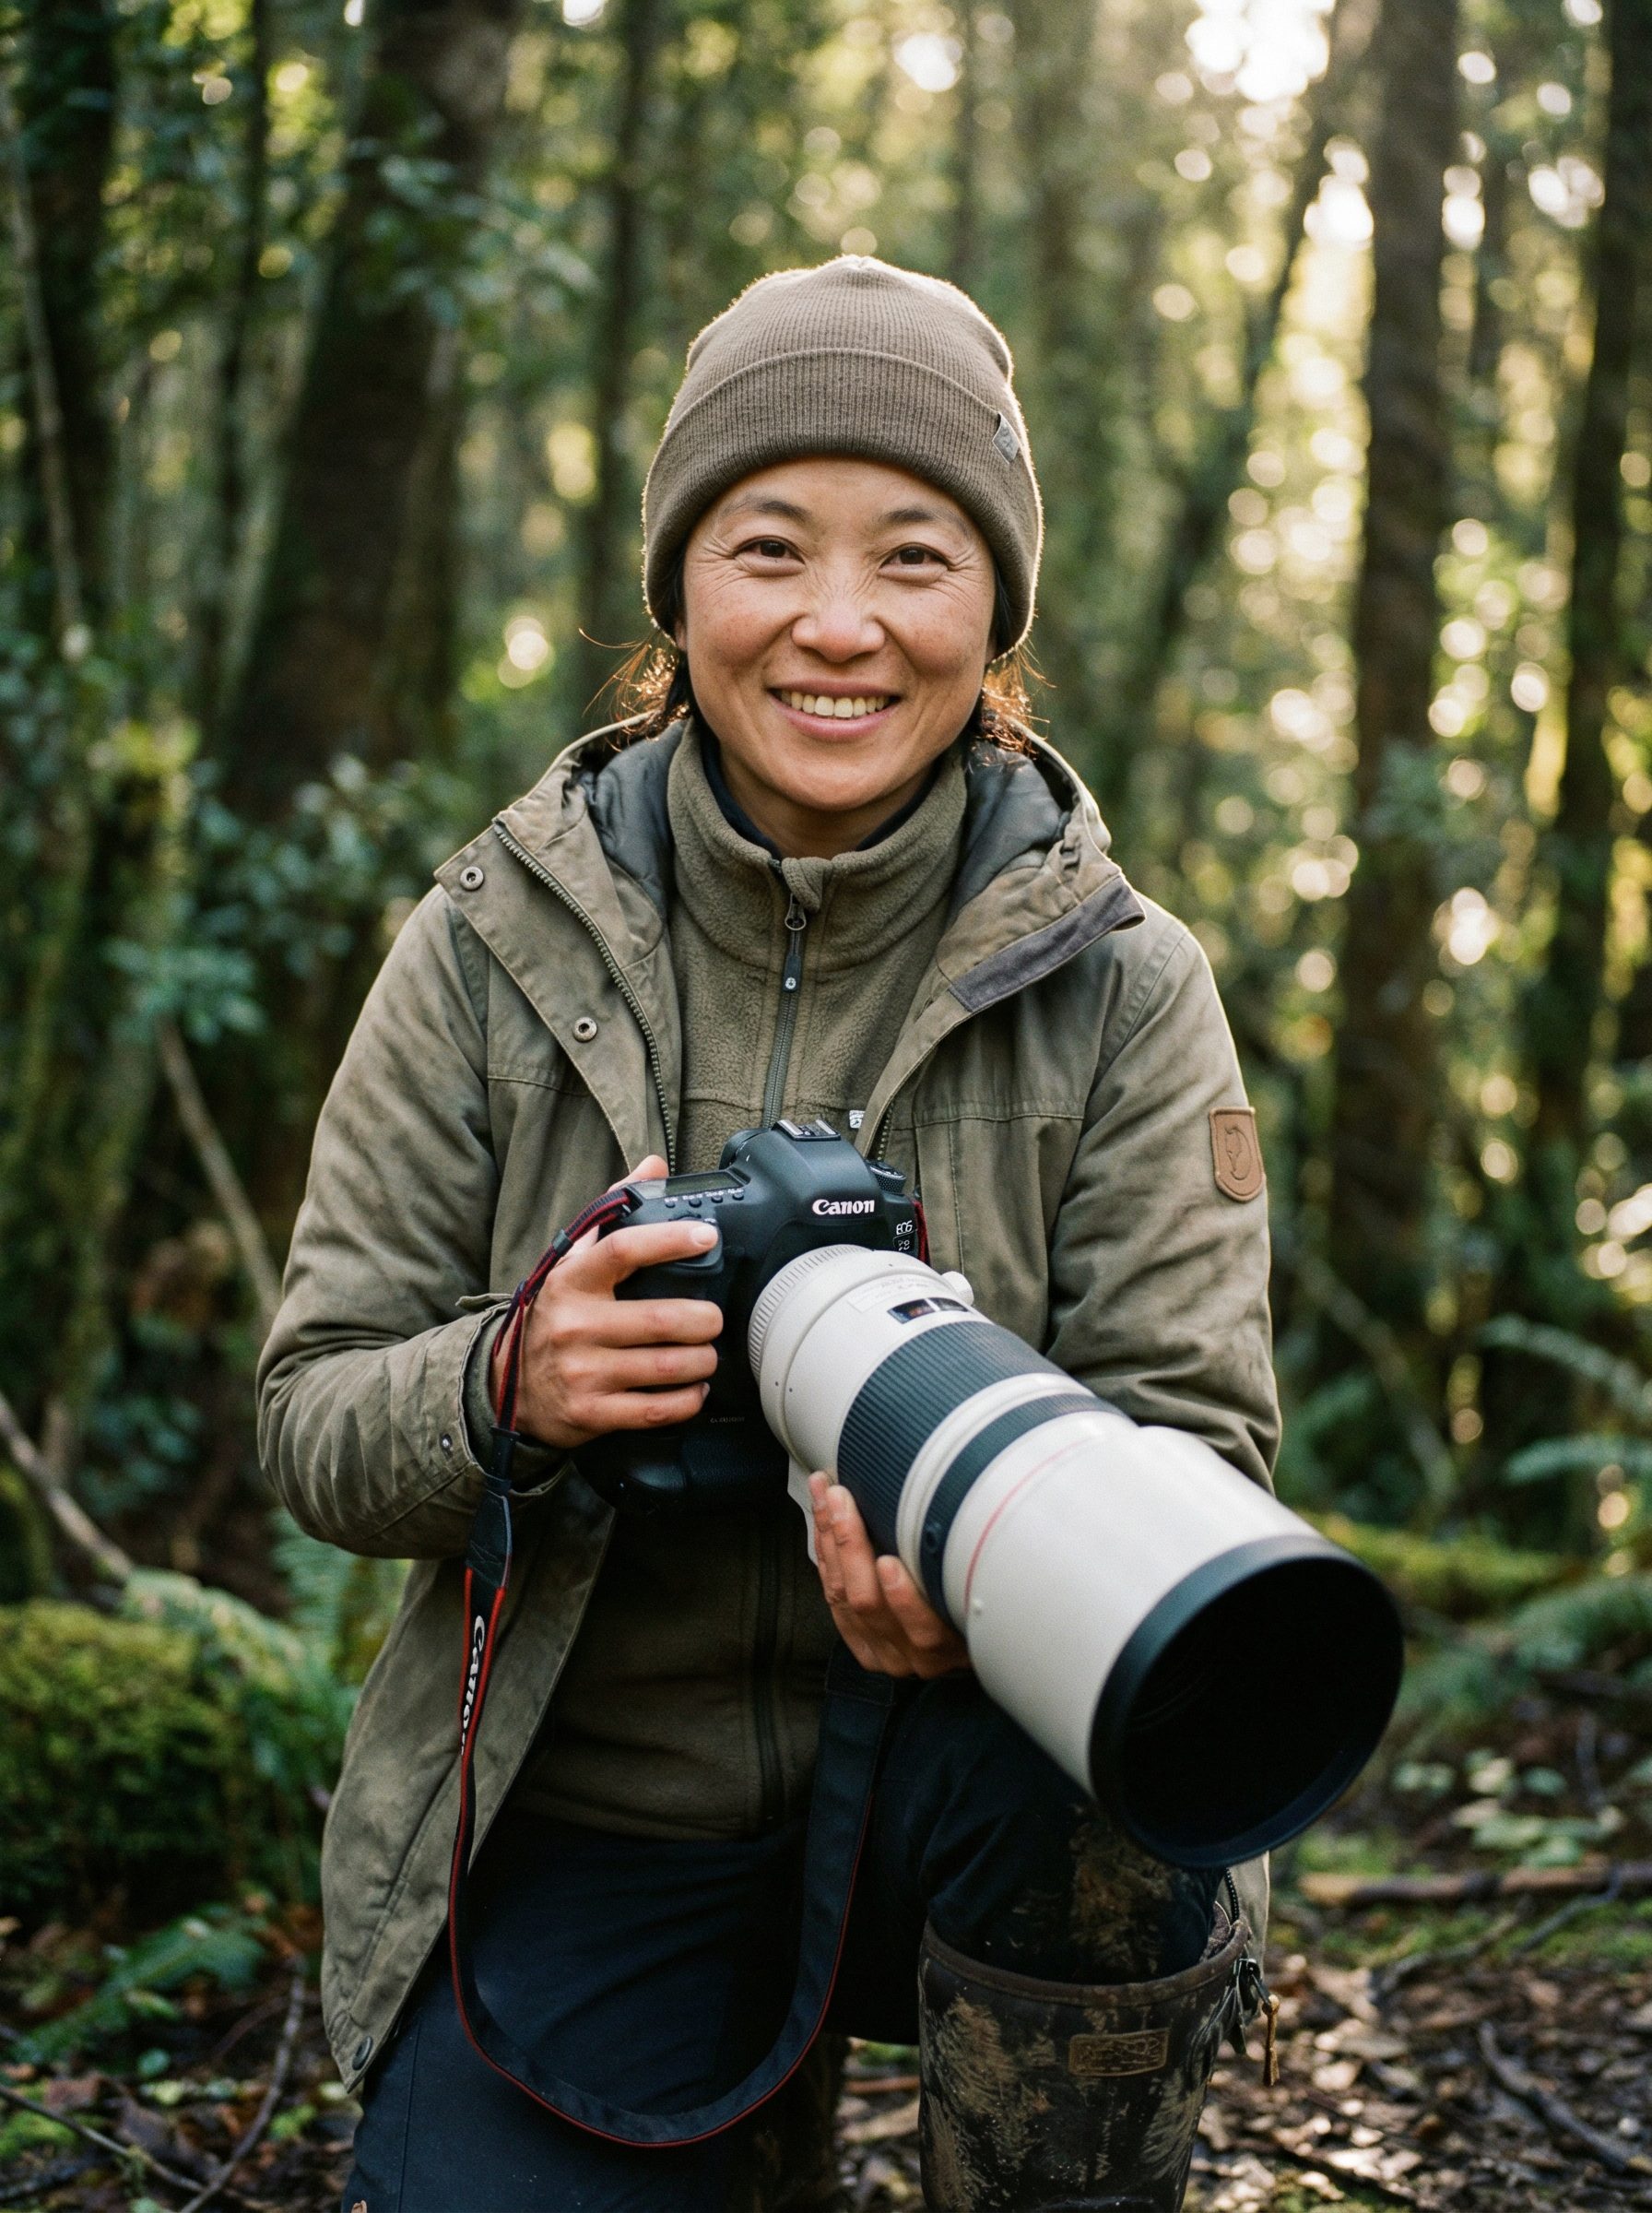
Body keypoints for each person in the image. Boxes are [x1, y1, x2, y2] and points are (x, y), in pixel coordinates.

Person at [258, 255, 1280, 2213]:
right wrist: (510, 1383)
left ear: (991, 609)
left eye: (912, 557)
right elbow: (312, 1413)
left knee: (1127, 1793)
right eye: (766, 549)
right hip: (588, 1810)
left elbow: (1202, 1456)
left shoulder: (1124, 984)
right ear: (675, 592)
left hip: (959, 1768)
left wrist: (980, 1581)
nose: (837, 626)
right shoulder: (489, 943)